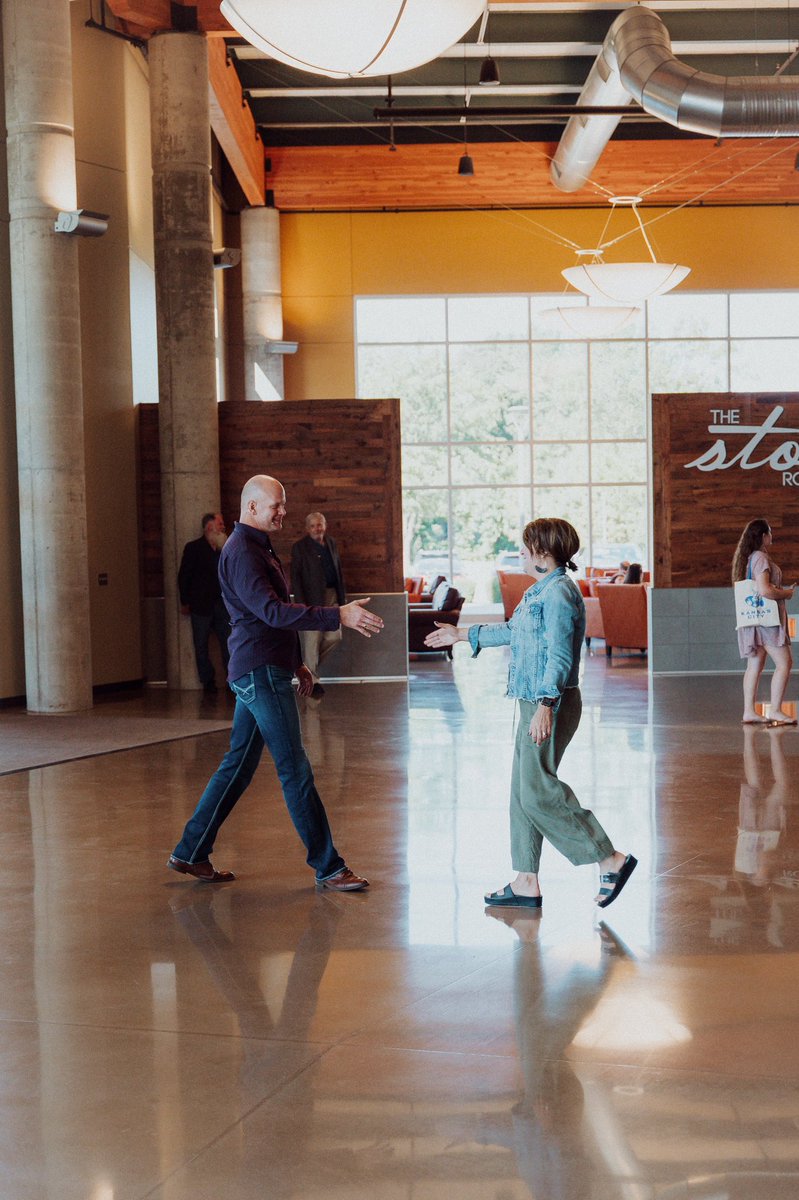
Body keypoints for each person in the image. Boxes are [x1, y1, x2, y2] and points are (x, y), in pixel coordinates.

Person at [168, 475, 383, 891]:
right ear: (251, 507)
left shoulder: (256, 546)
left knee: (237, 766)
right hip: (260, 673)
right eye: (276, 506)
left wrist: (296, 663)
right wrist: (337, 614)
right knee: (295, 769)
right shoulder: (242, 552)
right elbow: (272, 612)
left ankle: (190, 851)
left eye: (283, 504)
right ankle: (329, 867)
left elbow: (272, 614)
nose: (283, 512)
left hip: (263, 667)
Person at [425, 516, 636, 910]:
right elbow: (513, 631)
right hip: (534, 701)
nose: (520, 552)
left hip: (549, 702)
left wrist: (545, 706)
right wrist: (461, 634)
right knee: (523, 792)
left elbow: (559, 656)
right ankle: (525, 881)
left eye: (525, 547)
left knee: (537, 792)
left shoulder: (558, 595)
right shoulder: (542, 590)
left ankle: (609, 858)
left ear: (542, 552)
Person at [732, 517, 797, 726]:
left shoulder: (749, 558)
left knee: (755, 665)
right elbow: (764, 590)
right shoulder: (760, 557)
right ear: (763, 536)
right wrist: (786, 593)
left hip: (754, 622)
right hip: (766, 623)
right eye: (770, 532)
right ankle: (775, 710)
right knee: (784, 663)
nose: (772, 536)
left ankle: (749, 711)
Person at [291, 512, 346, 699]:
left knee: (335, 636)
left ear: (325, 525)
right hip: (311, 600)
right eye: (313, 526)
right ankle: (312, 681)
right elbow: (295, 578)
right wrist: (302, 606)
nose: (317, 529)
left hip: (332, 597)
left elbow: (338, 572)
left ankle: (305, 669)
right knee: (312, 641)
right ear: (308, 529)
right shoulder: (299, 547)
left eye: (320, 525)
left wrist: (342, 600)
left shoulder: (331, 543)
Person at [178, 512, 231, 693]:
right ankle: (208, 681)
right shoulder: (193, 548)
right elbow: (184, 576)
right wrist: (185, 601)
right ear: (209, 527)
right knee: (200, 645)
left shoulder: (224, 549)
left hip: (222, 606)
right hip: (201, 606)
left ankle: (233, 680)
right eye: (220, 524)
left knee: (229, 643)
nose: (223, 527)